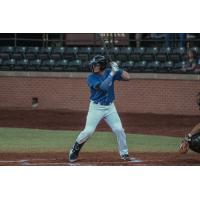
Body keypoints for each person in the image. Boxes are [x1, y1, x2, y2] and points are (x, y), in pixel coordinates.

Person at [68, 55, 131, 162]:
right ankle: (75, 149)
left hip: (110, 107)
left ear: (102, 66)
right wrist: (113, 73)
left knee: (119, 129)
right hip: (96, 107)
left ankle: (124, 153)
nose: (93, 67)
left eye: (95, 65)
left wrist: (118, 69)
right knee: (88, 131)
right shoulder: (91, 77)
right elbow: (103, 87)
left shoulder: (109, 72)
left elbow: (127, 77)